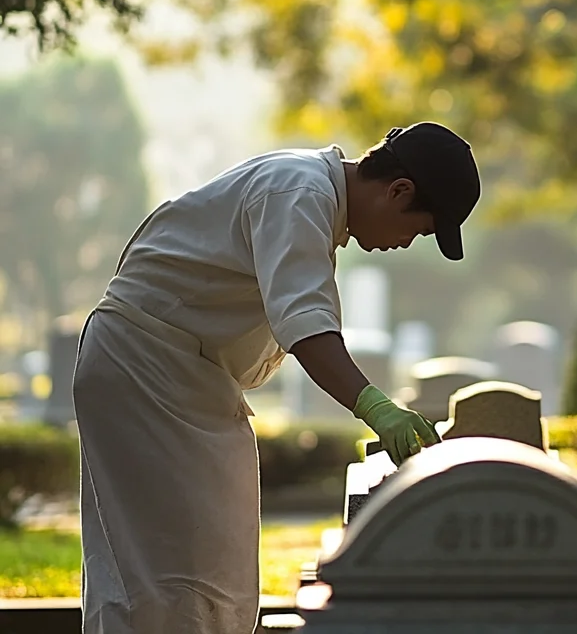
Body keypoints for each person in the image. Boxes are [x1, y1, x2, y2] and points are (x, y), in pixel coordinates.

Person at [72, 122, 481, 634]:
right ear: (399, 191)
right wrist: (374, 406)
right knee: (160, 579)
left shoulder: (309, 197)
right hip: (146, 372)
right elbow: (306, 326)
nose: (405, 243)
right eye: (417, 230)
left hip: (189, 381)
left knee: (211, 569)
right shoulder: (299, 192)